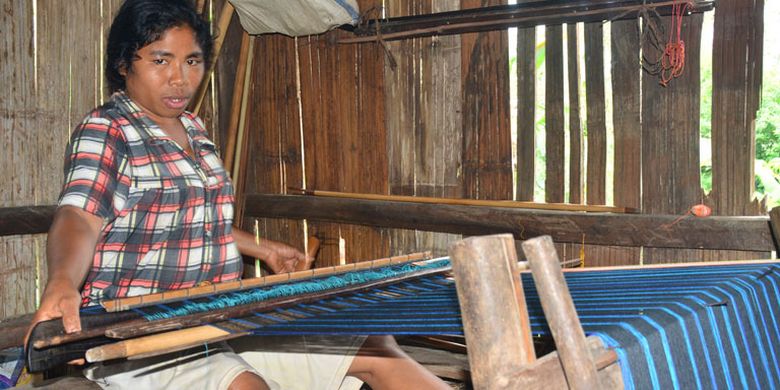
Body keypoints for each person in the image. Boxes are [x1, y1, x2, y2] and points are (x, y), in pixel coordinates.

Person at [26, 1, 449, 389]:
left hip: (221, 317)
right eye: (160, 60)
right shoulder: (108, 130)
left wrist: (263, 249)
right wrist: (64, 282)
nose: (180, 77)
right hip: (145, 333)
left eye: (192, 61)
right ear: (123, 63)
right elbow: (80, 216)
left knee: (375, 349)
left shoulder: (194, 131)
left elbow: (198, 223)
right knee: (245, 385)